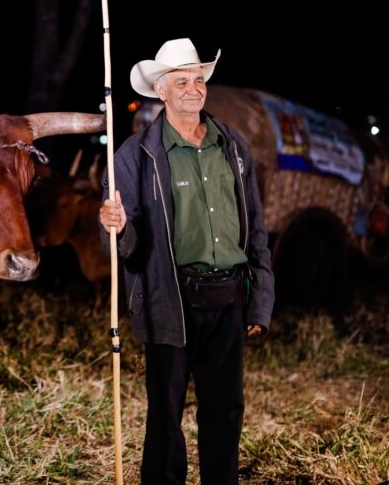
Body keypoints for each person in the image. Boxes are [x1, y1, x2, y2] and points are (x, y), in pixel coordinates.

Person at [99, 37, 275, 484]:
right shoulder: (134, 156)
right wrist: (115, 225)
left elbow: (255, 225)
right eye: (182, 82)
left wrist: (260, 301)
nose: (194, 89)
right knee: (165, 415)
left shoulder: (231, 145)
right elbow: (123, 247)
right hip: (169, 299)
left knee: (226, 410)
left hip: (228, 298)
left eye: (199, 80)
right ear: (161, 91)